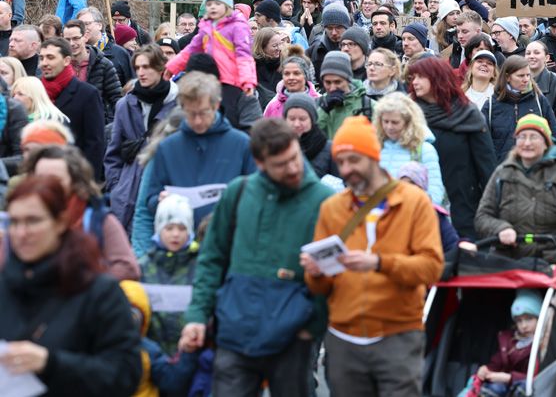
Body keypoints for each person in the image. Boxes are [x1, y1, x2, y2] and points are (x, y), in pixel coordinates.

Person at [180, 118, 334, 396]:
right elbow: (211, 259)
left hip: (293, 338)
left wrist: (312, 328)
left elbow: (334, 273)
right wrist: (197, 316)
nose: (293, 168)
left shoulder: (324, 201)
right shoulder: (238, 193)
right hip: (235, 330)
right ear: (260, 163)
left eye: (294, 158)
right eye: (280, 164)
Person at [300, 116, 444, 397]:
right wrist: (315, 273)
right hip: (344, 337)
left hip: (398, 334)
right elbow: (320, 287)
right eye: (340, 162)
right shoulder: (332, 208)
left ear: (373, 156)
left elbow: (431, 268)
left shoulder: (414, 203)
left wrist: (379, 263)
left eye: (354, 160)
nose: (346, 169)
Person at [0, 176, 141, 396]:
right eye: (15, 222)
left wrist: (51, 363)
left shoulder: (99, 292)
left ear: (60, 222)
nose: (21, 233)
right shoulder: (5, 287)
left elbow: (124, 375)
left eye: (33, 221)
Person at [141, 72, 257, 228]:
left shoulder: (242, 144)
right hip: (180, 244)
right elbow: (150, 199)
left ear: (216, 105)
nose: (197, 120)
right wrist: (159, 201)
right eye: (190, 113)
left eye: (203, 112)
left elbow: (257, 194)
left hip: (227, 242)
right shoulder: (167, 147)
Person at [476, 113, 556, 263]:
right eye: (522, 137)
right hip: (508, 259)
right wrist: (500, 228)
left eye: (533, 137)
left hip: (553, 260)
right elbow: (483, 216)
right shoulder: (503, 172)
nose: (527, 143)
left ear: (546, 142)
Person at [407, 56, 496, 238]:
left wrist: (491, 212)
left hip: (462, 205)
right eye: (412, 77)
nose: (414, 82)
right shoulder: (410, 114)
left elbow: (487, 166)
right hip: (417, 206)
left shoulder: (468, 114)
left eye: (420, 77)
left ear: (437, 77)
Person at [23, 144, 140, 280]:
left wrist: (85, 283)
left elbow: (128, 268)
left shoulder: (97, 220)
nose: (47, 185)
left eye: (56, 180)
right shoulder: (20, 218)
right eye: (40, 178)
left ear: (75, 182)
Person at [105, 44, 179, 230]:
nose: (141, 72)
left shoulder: (178, 104)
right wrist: (117, 187)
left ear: (160, 67)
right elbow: (114, 151)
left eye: (146, 67)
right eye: (137, 68)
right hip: (128, 189)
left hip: (167, 185)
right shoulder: (125, 105)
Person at [166, 0, 257, 117]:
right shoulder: (206, 27)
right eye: (209, 4)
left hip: (230, 81)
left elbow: (244, 56)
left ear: (227, 5)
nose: (212, 7)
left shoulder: (238, 26)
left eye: (217, 3)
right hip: (209, 80)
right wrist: (171, 67)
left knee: (227, 116)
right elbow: (190, 50)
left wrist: (247, 81)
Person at [137, 194, 198, 355]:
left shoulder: (199, 267)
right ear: (159, 229)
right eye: (169, 228)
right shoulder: (142, 268)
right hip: (152, 356)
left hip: (190, 355)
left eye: (182, 228)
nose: (176, 234)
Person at [39, 37, 105, 178]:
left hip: (74, 176)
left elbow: (95, 143)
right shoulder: (37, 91)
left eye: (50, 57)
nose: (44, 63)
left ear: (66, 60)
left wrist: (87, 182)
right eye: (42, 58)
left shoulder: (87, 94)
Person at [482, 55, 556, 163]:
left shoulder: (539, 100)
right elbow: (482, 143)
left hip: (536, 171)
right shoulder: (492, 105)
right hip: (503, 171)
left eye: (528, 75)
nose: (525, 80)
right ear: (507, 77)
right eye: (520, 76)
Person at [373, 91, 445, 204]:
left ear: (408, 123)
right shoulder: (374, 147)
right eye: (385, 121)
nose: (389, 127)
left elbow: (435, 194)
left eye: (395, 122)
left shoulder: (424, 150)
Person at [474, 290, 546, 396]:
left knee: (522, 389)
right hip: (505, 383)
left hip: (528, 385)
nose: (524, 325)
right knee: (491, 389)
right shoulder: (510, 340)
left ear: (539, 318)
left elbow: (540, 376)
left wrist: (510, 378)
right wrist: (487, 369)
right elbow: (497, 362)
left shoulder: (543, 341)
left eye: (529, 319)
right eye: (519, 321)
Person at [63, 19, 122, 123]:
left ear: (85, 37)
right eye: (67, 39)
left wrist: (108, 126)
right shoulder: (60, 66)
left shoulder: (103, 64)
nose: (71, 43)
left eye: (76, 38)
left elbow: (117, 100)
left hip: (97, 127)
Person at [316, 51, 373, 138]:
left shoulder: (368, 105)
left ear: (348, 80)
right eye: (328, 82)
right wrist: (324, 111)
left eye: (337, 82)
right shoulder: (318, 104)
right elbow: (309, 137)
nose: (332, 88)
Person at [283, 92, 338, 178]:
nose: (296, 124)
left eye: (302, 119)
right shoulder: (277, 147)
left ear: (312, 120)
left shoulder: (328, 148)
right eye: (292, 119)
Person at [76, 7, 134, 87]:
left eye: (87, 24)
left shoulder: (120, 54)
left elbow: (132, 86)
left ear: (99, 25)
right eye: (79, 25)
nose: (83, 28)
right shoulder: (74, 55)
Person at [264, 46, 319, 117]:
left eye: (296, 73)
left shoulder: (319, 102)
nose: (291, 77)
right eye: (287, 74)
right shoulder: (273, 106)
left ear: (305, 76)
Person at [306, 0, 351, 81]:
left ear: (347, 27)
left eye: (338, 27)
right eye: (329, 28)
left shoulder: (357, 48)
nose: (334, 33)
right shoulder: (315, 50)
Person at [526, 40, 556, 121]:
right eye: (528, 53)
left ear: (547, 58)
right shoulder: (517, 82)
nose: (531, 56)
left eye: (536, 53)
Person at [252, 27, 286, 108]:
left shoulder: (284, 63)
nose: (279, 48)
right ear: (262, 47)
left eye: (280, 44)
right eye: (274, 46)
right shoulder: (254, 66)